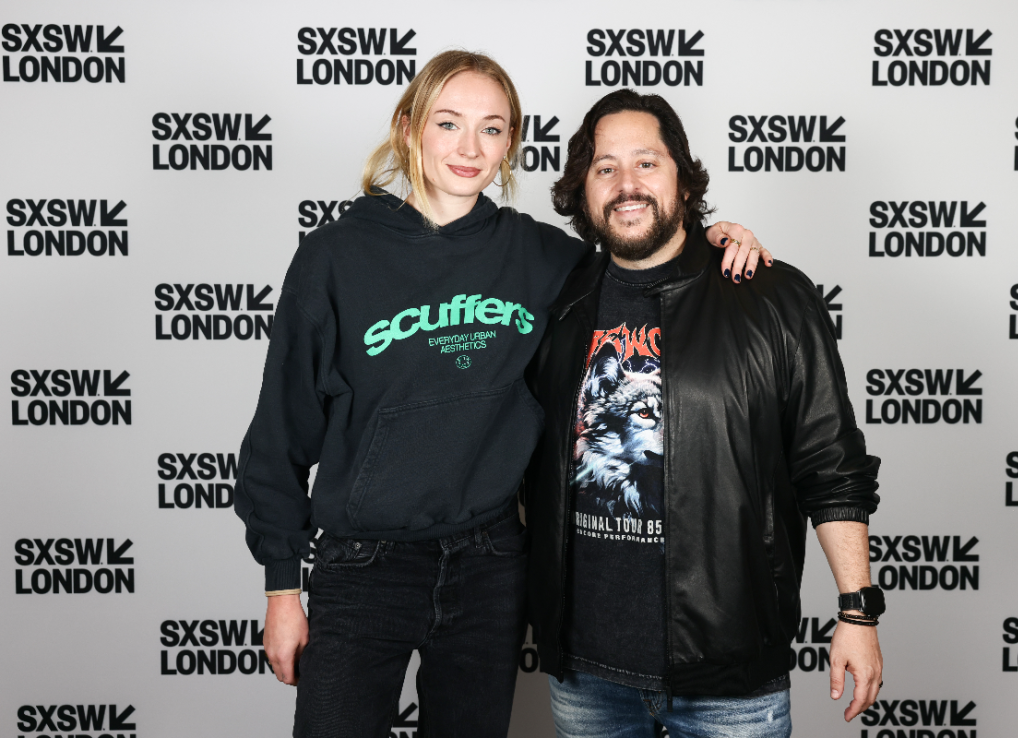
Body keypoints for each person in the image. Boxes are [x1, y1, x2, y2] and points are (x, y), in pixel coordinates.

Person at [232, 51, 770, 738]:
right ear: (407, 128)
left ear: (509, 142)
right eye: (447, 123)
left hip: (488, 565)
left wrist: (711, 241)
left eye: (491, 129)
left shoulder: (543, 257)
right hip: (366, 565)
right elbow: (279, 435)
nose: (469, 148)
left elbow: (642, 258)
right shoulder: (334, 257)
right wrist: (283, 586)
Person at [523, 88, 883, 738]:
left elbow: (830, 466)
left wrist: (856, 611)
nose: (626, 185)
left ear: (684, 182)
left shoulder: (771, 297)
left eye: (646, 163)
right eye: (605, 167)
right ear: (583, 189)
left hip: (730, 673)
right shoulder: (555, 302)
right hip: (585, 673)